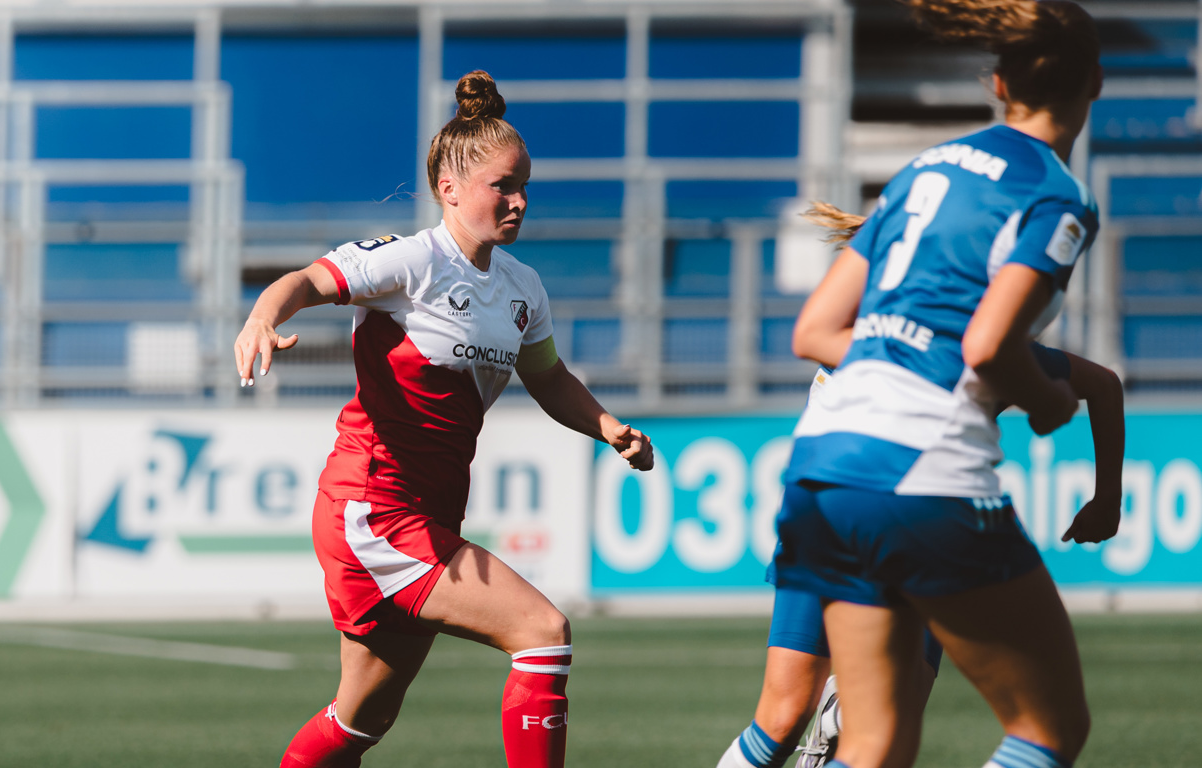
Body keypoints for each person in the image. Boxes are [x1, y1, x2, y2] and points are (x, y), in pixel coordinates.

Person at [232, 70, 655, 768]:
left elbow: (546, 377)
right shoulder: (411, 262)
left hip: (430, 514)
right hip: (373, 511)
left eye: (523, 186)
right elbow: (304, 281)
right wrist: (260, 319)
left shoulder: (522, 288)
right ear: (449, 188)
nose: (517, 201)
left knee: (358, 722)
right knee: (543, 631)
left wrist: (605, 425)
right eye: (502, 186)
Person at [766, 2, 1121, 767]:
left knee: (871, 743)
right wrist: (1047, 399)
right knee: (1046, 729)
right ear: (1095, 81)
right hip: (922, 473)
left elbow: (813, 333)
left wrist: (905, 351)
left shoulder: (923, 169)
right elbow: (991, 345)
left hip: (823, 468)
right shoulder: (1057, 196)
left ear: (997, 83)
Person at [716, 225, 1125, 768]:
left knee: (797, 722)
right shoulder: (983, 348)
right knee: (824, 723)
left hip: (831, 518)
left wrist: (1106, 497)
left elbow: (1101, 385)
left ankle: (847, 717)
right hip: (918, 524)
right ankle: (847, 715)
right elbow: (1097, 386)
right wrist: (1103, 492)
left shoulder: (869, 331)